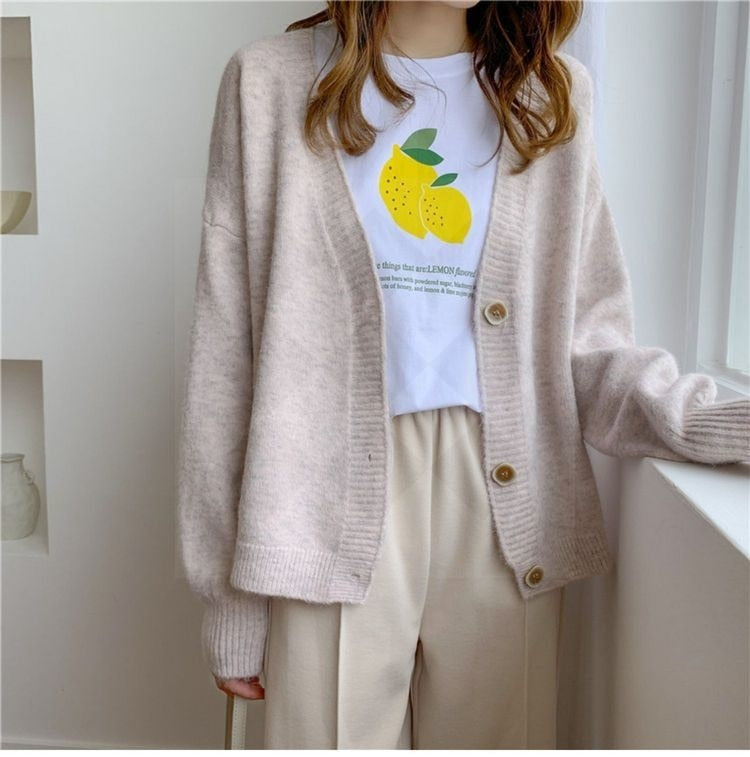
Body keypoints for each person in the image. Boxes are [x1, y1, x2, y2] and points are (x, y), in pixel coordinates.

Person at [176, 0, 750, 749]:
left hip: (504, 505)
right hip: (317, 496)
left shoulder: (550, 98)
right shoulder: (268, 83)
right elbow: (227, 359)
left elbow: (590, 346)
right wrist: (227, 599)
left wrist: (714, 421)